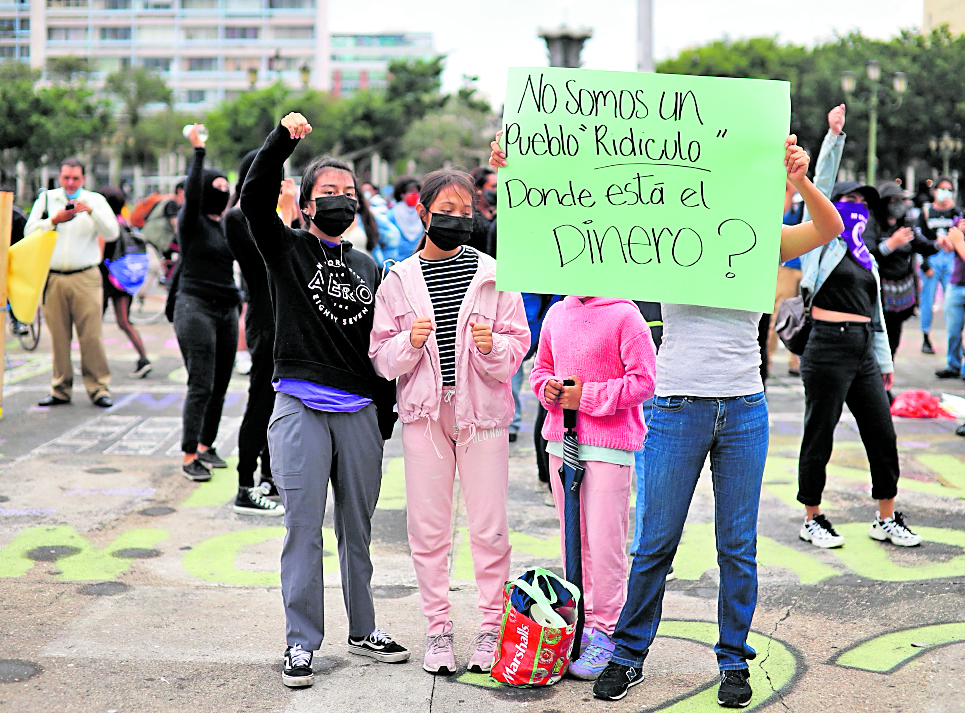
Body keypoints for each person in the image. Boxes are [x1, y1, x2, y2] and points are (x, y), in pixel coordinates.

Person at [491, 130, 843, 706]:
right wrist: (517, 174)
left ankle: (733, 660)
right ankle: (629, 655)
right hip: (676, 408)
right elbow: (574, 230)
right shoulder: (664, 241)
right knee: (654, 542)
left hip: (744, 410)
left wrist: (800, 180)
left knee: (737, 545)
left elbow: (827, 230)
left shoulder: (762, 241)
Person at [241, 112, 408, 689]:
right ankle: (299, 642)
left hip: (359, 412)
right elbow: (254, 195)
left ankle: (363, 629)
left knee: (357, 529)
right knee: (302, 527)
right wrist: (283, 141)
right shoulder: (285, 249)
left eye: (348, 193)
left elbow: (382, 348)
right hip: (300, 409)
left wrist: (382, 416)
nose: (340, 200)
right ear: (307, 204)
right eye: (328, 193)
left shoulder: (369, 267)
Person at [369, 169, 529, 676]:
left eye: (468, 213)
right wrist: (409, 343)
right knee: (428, 528)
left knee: (489, 526)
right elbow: (380, 358)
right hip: (424, 416)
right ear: (423, 213)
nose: (459, 221)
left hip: (482, 415)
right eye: (448, 212)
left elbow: (517, 346)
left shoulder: (496, 275)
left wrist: (492, 347)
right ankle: (438, 628)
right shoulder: (398, 280)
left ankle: (489, 628)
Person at [530, 294, 656, 679]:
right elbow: (540, 370)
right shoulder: (557, 313)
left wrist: (587, 396)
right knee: (573, 542)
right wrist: (546, 389)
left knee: (605, 544)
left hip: (610, 446)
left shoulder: (626, 315)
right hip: (560, 443)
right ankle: (580, 626)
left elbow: (645, 382)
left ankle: (607, 631)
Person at [173, 125, 241, 482]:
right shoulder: (192, 221)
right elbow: (195, 192)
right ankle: (188, 455)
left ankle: (205, 446)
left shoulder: (226, 224)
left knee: (221, 383)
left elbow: (243, 192)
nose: (222, 192)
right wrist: (198, 152)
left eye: (225, 188)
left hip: (226, 308)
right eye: (216, 187)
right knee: (201, 383)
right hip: (195, 305)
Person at [223, 149, 288, 515]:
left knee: (281, 406)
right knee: (260, 404)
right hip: (265, 322)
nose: (278, 185)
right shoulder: (238, 218)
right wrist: (289, 215)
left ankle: (269, 476)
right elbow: (270, 256)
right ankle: (244, 485)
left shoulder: (274, 216)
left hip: (286, 323)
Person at [25, 157, 119, 408]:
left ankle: (98, 388)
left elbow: (112, 233)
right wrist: (53, 221)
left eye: (75, 178)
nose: (70, 183)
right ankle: (60, 388)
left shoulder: (95, 200)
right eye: (65, 177)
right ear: (59, 177)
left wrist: (91, 211)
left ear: (83, 179)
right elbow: (28, 232)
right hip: (53, 277)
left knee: (91, 336)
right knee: (58, 336)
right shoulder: (47, 199)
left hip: (85, 276)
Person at [870, 181, 938, 358]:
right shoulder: (872, 224)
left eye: (901, 200)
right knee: (876, 340)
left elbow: (922, 245)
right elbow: (867, 253)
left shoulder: (904, 225)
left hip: (900, 294)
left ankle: (887, 378)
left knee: (893, 340)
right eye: (893, 200)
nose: (898, 204)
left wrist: (939, 244)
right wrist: (890, 245)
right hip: (878, 292)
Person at [96, 186, 152, 378]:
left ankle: (91, 362)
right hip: (123, 279)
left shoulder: (107, 226)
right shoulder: (125, 223)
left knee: (93, 325)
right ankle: (143, 358)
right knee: (124, 322)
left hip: (106, 280)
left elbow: (100, 254)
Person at [917, 177, 962, 357]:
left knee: (952, 302)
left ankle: (956, 341)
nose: (945, 193)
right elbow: (920, 241)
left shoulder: (956, 213)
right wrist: (925, 264)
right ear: (934, 191)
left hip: (951, 258)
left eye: (949, 189)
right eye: (942, 189)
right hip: (932, 257)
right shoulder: (926, 212)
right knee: (927, 300)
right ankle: (926, 337)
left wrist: (955, 211)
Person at [938, 221, 965, 436]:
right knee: (954, 333)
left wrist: (959, 242)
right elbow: (948, 246)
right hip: (957, 284)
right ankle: (954, 365)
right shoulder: (960, 224)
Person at [387, 175, 423, 260]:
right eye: (410, 191)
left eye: (416, 192)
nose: (414, 194)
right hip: (398, 260)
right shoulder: (392, 215)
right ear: (402, 194)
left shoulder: (422, 214)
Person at [468, 166, 497, 256]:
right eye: (493, 186)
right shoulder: (471, 219)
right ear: (478, 190)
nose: (496, 190)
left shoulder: (493, 215)